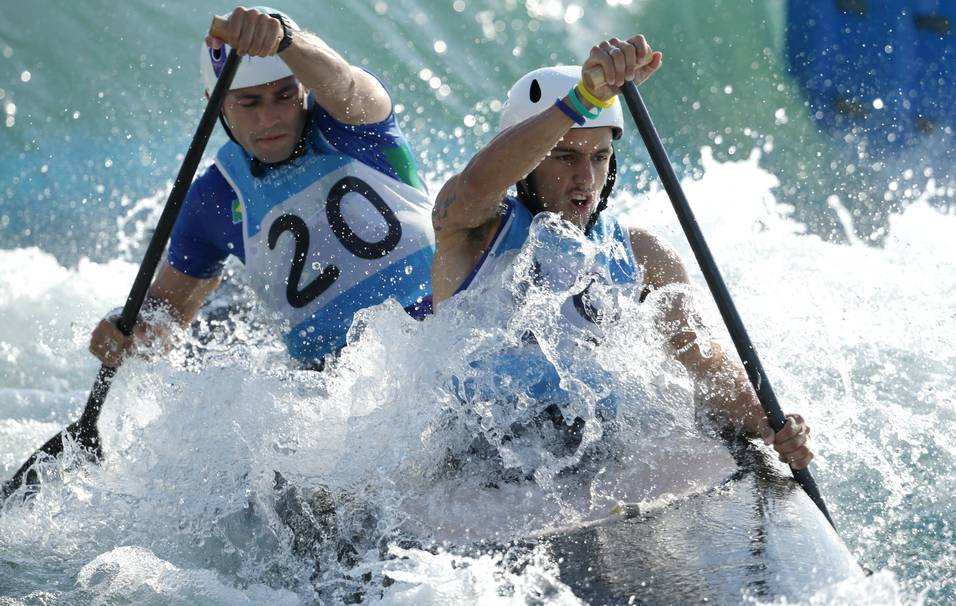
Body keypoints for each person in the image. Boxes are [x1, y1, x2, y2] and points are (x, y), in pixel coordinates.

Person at [430, 36, 814, 470]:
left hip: (595, 456)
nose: (585, 178)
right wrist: (584, 98)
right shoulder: (474, 228)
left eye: (599, 157)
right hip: (478, 457)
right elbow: (480, 179)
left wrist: (768, 421)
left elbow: (707, 367)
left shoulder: (644, 255)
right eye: (565, 157)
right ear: (528, 163)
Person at [90, 6, 435, 369]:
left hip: (443, 330)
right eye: (249, 103)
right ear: (216, 102)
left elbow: (344, 82)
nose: (268, 119)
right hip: (333, 384)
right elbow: (166, 318)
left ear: (304, 88)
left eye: (284, 97)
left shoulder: (354, 122)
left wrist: (287, 37)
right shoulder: (213, 199)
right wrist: (129, 332)